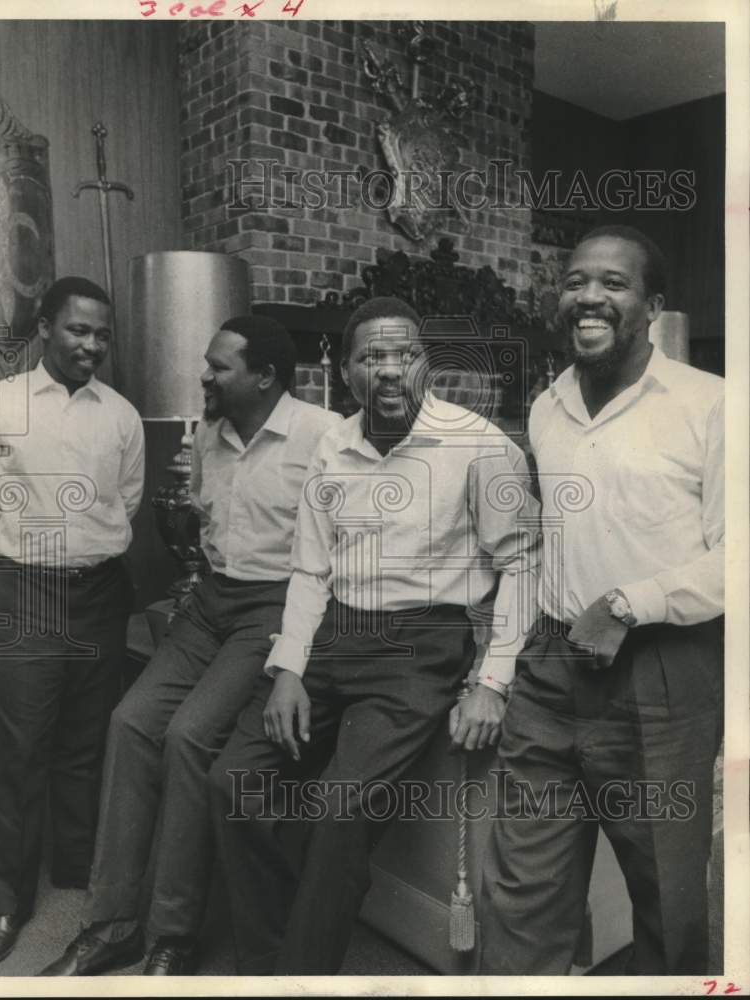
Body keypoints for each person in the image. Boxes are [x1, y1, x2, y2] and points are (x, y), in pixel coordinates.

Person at [209, 296, 540, 975]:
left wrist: (491, 682)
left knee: (339, 808)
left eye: (405, 355)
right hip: (332, 634)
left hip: (420, 647)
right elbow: (309, 566)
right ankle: (270, 955)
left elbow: (522, 564)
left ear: (426, 363)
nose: (390, 371)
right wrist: (290, 670)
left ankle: (301, 978)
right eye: (371, 357)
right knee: (232, 780)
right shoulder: (333, 442)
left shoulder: (477, 445)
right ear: (344, 371)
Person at [40, 315, 342, 976]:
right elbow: (207, 522)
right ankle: (112, 921)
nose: (204, 376)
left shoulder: (323, 437)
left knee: (189, 736)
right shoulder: (209, 433)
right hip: (211, 603)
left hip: (273, 602)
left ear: (263, 377)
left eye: (219, 366)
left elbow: (334, 553)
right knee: (130, 722)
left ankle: (172, 934)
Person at [479, 225, 725, 974]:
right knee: (522, 886)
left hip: (660, 677)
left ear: (651, 306)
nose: (588, 296)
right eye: (576, 281)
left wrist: (629, 602)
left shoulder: (711, 406)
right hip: (550, 673)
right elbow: (541, 542)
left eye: (612, 284)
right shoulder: (546, 407)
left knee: (666, 894)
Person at [0, 277, 145, 968]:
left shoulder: (122, 416)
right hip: (27, 590)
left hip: (101, 593)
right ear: (45, 327)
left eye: (102, 334)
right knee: (20, 750)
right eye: (78, 330)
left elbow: (124, 504)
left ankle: (74, 872)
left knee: (84, 743)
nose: (92, 345)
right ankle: (8, 904)